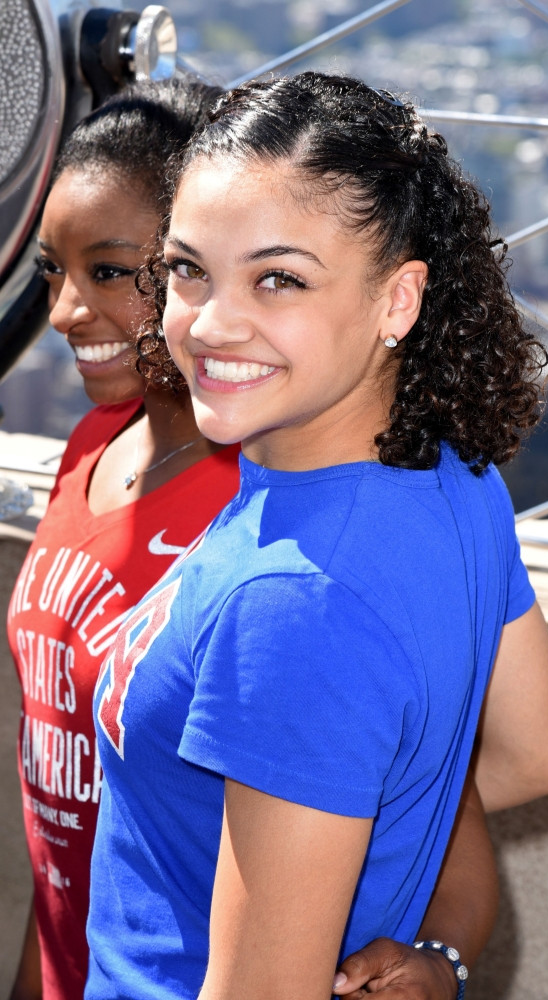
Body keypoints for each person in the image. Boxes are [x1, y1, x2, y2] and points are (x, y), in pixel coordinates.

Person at [6, 77, 513, 1000]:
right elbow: (526, 757)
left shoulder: (292, 598)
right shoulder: (455, 480)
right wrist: (435, 952)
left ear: (399, 301)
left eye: (278, 277)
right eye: (190, 269)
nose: (211, 322)